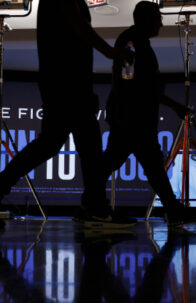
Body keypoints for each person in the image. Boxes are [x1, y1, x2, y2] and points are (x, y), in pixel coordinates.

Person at [0, 0, 135, 227]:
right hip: (67, 84)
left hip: (65, 83)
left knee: (55, 144)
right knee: (82, 146)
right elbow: (77, 27)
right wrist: (110, 51)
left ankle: (94, 207)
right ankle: (95, 208)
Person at [102, 1, 194, 225]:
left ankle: (172, 208)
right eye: (158, 18)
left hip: (132, 118)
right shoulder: (132, 44)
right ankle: (92, 205)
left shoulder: (136, 42)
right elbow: (136, 87)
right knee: (142, 163)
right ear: (147, 20)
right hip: (132, 119)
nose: (161, 23)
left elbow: (143, 87)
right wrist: (174, 106)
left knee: (147, 164)